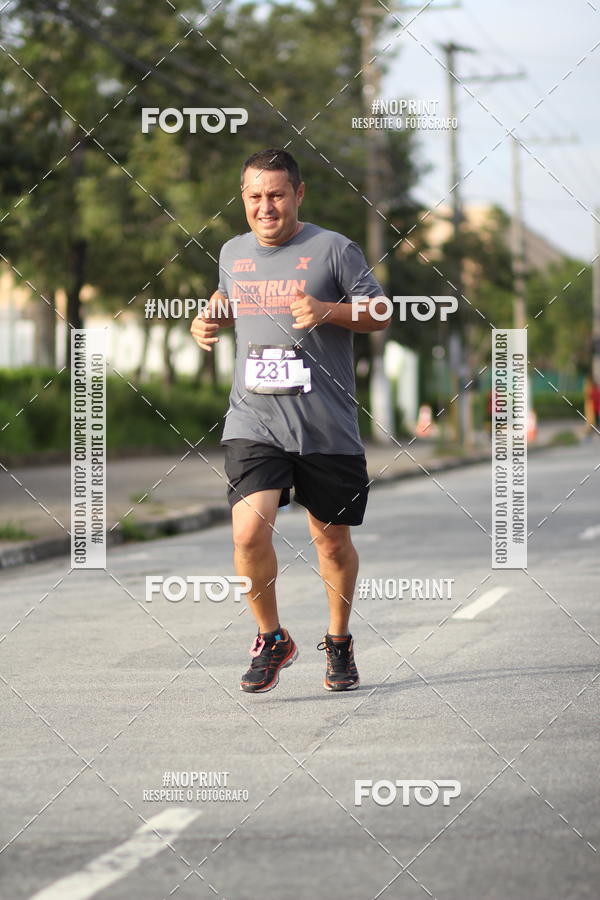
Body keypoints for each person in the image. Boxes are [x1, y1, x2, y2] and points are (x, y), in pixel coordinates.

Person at [191, 148, 390, 694]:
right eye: (254, 197)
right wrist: (207, 319)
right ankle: (271, 637)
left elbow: (380, 311)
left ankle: (340, 640)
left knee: (330, 542)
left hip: (325, 427)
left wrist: (329, 311)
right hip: (255, 422)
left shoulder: (333, 249)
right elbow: (227, 300)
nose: (265, 206)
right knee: (248, 531)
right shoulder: (233, 252)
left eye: (276, 194)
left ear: (298, 194)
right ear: (243, 199)